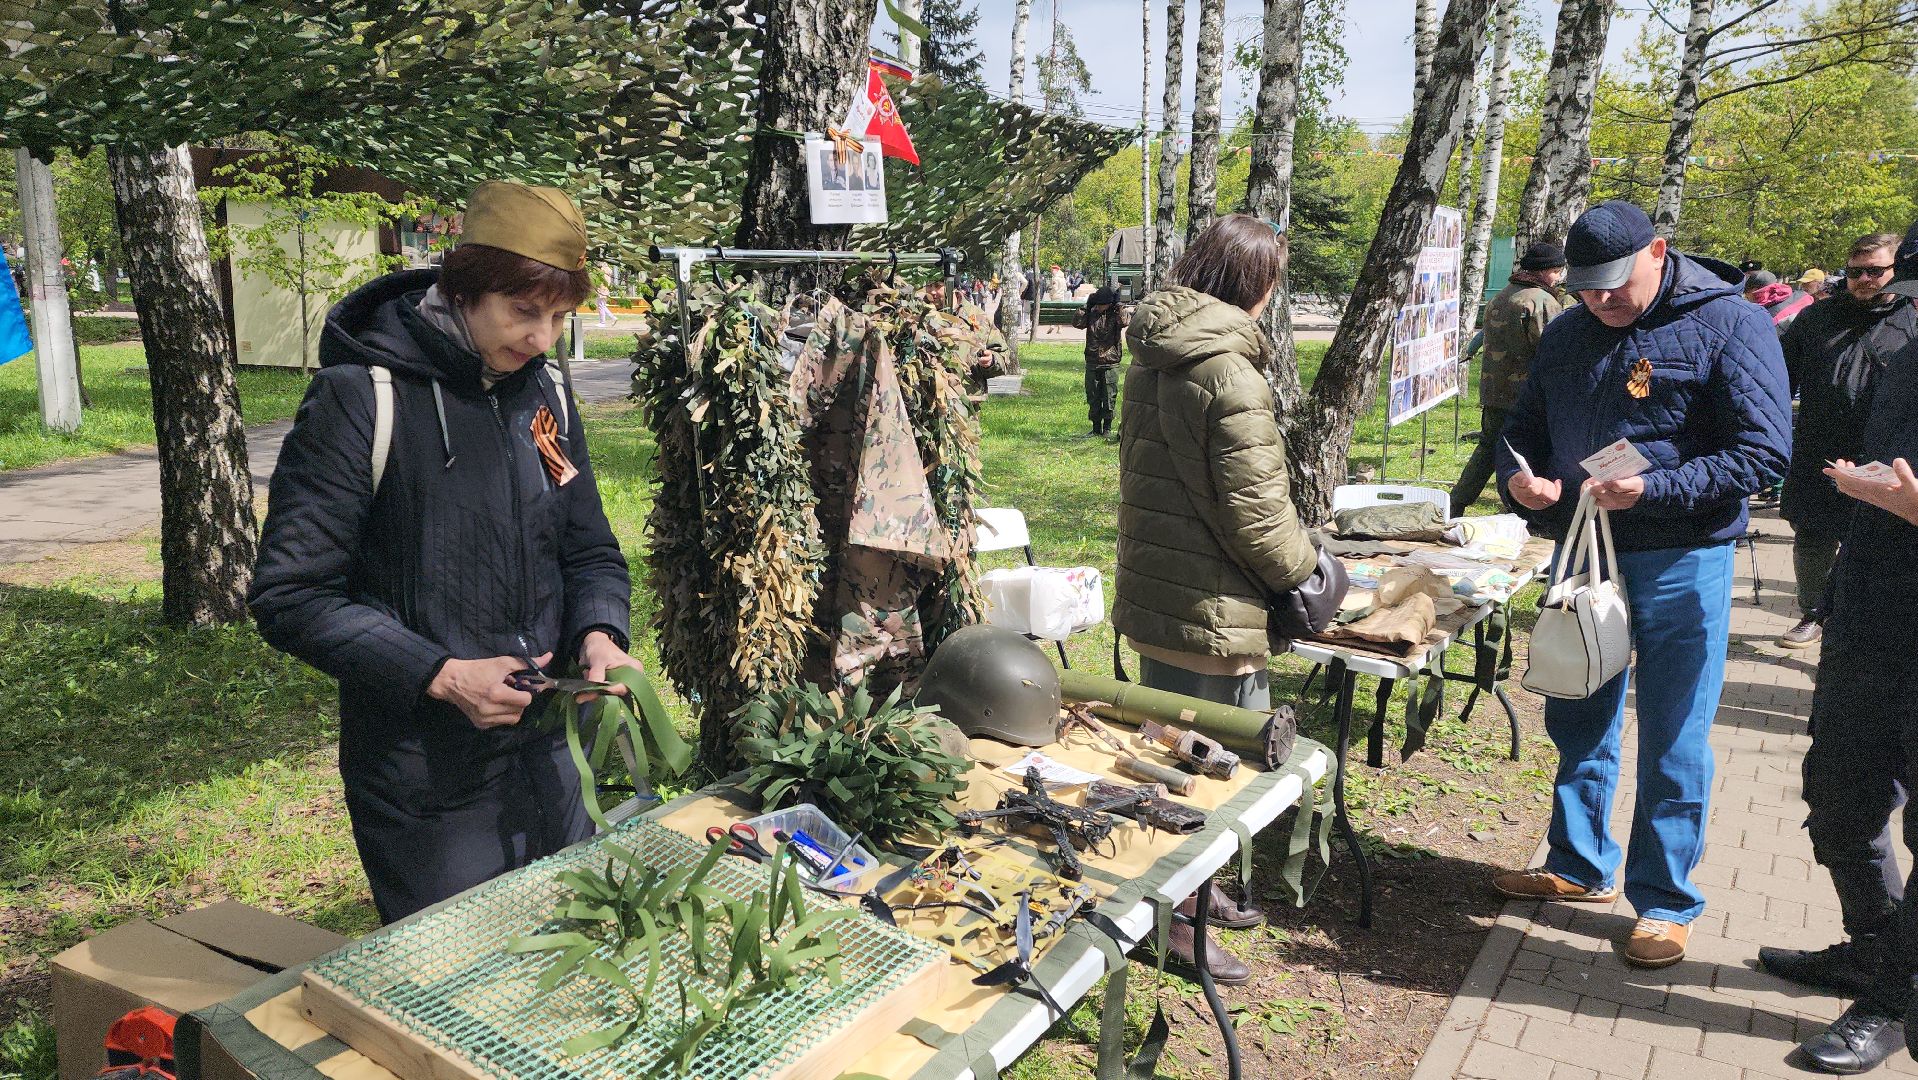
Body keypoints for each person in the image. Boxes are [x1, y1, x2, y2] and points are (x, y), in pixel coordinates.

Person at [249, 182, 635, 924]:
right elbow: (291, 595)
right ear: (463, 287)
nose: (543, 338)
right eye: (524, 311)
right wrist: (443, 675)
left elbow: (588, 547)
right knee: (459, 971)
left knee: (571, 947)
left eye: (560, 317)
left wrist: (600, 632)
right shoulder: (361, 397)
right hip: (426, 777)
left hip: (554, 749)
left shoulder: (545, 393)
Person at [1490, 200, 1792, 968]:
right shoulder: (1568, 330)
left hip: (1682, 559)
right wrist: (1523, 483)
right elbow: (1521, 428)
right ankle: (1578, 863)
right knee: (1578, 713)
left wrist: (1654, 490)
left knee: (1673, 736)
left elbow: (1764, 453)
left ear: (1658, 252)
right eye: (1586, 288)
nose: (1601, 300)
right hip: (1584, 552)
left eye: (1615, 284)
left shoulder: (1731, 323)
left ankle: (1664, 903)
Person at [1115, 214, 1322, 984]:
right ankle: (1173, 914)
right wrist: (1313, 574)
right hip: (1212, 609)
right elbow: (1259, 518)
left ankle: (1193, 892)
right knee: (1207, 766)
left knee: (1175, 749)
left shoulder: (1155, 355)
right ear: (1255, 282)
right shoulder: (1229, 370)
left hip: (1162, 595)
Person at [1762, 231, 1918, 1074]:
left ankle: (1894, 999)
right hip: (1869, 615)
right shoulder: (1907, 356)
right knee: (1839, 800)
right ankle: (1875, 949)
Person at [1774, 232, 1918, 649]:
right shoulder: (1817, 317)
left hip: (1888, 459)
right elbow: (1779, 379)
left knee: (1874, 541)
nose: (1864, 280)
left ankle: (1857, 624)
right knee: (1812, 535)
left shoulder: (1911, 318)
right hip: (1821, 449)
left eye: (1875, 271)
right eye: (1855, 272)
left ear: (1896, 270)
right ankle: (1813, 613)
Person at [1449, 241, 1567, 516]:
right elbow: (1553, 349)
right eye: (1556, 271)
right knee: (1530, 451)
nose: (1558, 277)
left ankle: (1456, 503)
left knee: (1488, 448)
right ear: (1544, 271)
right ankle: (1524, 510)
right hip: (1527, 396)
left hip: (1494, 390)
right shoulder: (1541, 301)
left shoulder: (1502, 296)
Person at [1072, 281, 1131, 437]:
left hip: (1110, 362)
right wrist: (1086, 306)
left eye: (1101, 304)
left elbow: (1125, 321)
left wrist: (1119, 306)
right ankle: (1096, 427)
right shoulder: (1092, 312)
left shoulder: (1115, 314)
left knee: (1109, 396)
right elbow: (1077, 323)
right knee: (1093, 396)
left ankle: (1107, 428)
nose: (1099, 307)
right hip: (1092, 360)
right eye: (1097, 304)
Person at [1743, 269, 1816, 336]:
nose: (1746, 298)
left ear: (1754, 291)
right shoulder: (1803, 297)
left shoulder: (1760, 315)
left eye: (1747, 294)